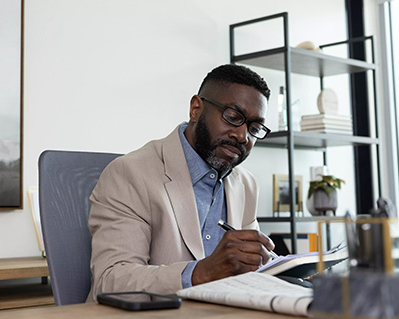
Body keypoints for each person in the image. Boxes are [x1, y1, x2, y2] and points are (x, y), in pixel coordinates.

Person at [88, 64, 275, 301]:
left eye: (254, 128)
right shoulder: (129, 173)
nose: (242, 136)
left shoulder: (246, 185)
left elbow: (248, 270)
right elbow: (111, 280)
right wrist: (200, 273)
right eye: (233, 117)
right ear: (196, 109)